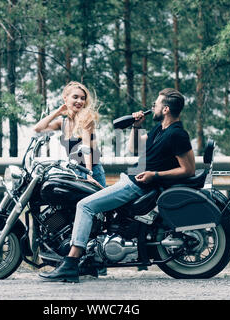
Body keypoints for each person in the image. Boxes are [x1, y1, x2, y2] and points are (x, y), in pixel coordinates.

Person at [39, 88, 196, 283]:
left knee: (85, 206)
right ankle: (88, 262)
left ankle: (71, 262)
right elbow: (134, 148)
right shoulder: (160, 129)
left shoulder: (177, 134)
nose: (152, 106)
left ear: (165, 109)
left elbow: (188, 169)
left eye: (156, 103)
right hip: (130, 180)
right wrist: (136, 127)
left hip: (137, 185)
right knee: (94, 210)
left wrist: (154, 175)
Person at [34, 81, 106, 188]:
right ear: (65, 98)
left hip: (92, 170)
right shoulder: (62, 123)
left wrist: (89, 175)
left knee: (97, 203)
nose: (79, 101)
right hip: (74, 171)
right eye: (75, 97)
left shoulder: (86, 119)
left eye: (82, 98)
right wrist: (57, 112)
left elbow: (86, 148)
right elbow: (38, 129)